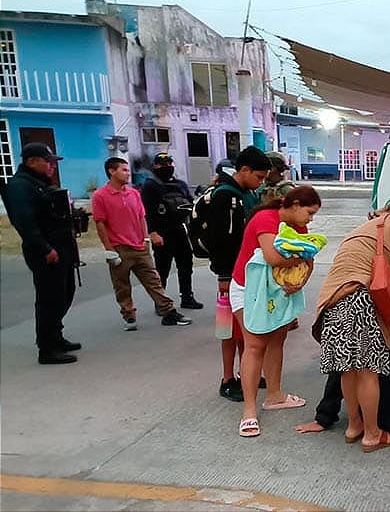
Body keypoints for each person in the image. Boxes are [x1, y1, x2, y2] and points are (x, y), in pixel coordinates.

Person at [313, 205, 390, 452]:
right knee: (368, 372)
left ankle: (354, 426)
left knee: (347, 369)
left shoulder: (359, 230)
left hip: (332, 299)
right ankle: (372, 435)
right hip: (360, 297)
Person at [233, 186, 322, 437]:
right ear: (294, 205)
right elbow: (272, 257)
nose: (310, 219)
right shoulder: (265, 219)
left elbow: (310, 258)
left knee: (276, 341)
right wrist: (298, 261)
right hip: (249, 289)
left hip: (277, 292)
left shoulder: (298, 227)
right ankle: (249, 411)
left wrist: (300, 282)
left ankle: (275, 395)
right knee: (254, 345)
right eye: (309, 212)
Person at [91, 157, 191, 330]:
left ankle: (168, 311)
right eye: (123, 170)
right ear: (111, 171)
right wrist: (109, 249)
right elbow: (100, 223)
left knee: (154, 280)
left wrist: (145, 239)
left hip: (139, 246)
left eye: (128, 170)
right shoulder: (100, 196)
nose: (128, 173)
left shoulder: (133, 194)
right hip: (119, 247)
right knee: (122, 285)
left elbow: (141, 217)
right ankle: (129, 315)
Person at [3, 143, 81, 364]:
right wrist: (44, 248)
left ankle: (56, 336)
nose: (52, 166)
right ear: (31, 162)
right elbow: (24, 222)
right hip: (46, 250)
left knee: (65, 293)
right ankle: (47, 348)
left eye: (53, 162)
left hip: (62, 246)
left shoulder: (40, 184)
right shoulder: (20, 186)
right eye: (48, 162)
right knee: (49, 298)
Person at [206, 147, 269, 402]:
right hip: (229, 274)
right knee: (229, 331)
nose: (261, 182)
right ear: (244, 170)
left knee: (246, 327)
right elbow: (219, 240)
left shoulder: (247, 195)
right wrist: (223, 275)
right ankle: (227, 378)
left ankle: (246, 373)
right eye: (259, 177)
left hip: (247, 274)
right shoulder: (224, 196)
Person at [140, 153, 203, 310]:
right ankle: (161, 302)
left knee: (186, 265)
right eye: (162, 164)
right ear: (155, 166)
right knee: (162, 269)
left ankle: (187, 297)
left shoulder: (180, 184)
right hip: (162, 232)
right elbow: (147, 211)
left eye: (169, 163)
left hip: (180, 230)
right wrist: (152, 232)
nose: (167, 166)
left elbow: (189, 204)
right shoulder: (150, 185)